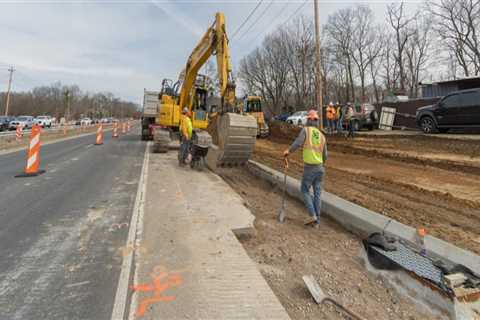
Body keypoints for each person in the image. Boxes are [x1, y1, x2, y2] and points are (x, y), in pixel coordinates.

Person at [283, 110, 328, 228]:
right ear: (316, 121)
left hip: (310, 167)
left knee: (304, 190)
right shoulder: (322, 136)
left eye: (308, 119)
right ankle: (317, 221)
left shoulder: (306, 131)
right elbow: (325, 156)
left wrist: (288, 151)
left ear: (309, 120)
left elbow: (298, 143)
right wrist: (321, 164)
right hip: (320, 168)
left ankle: (312, 215)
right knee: (317, 193)